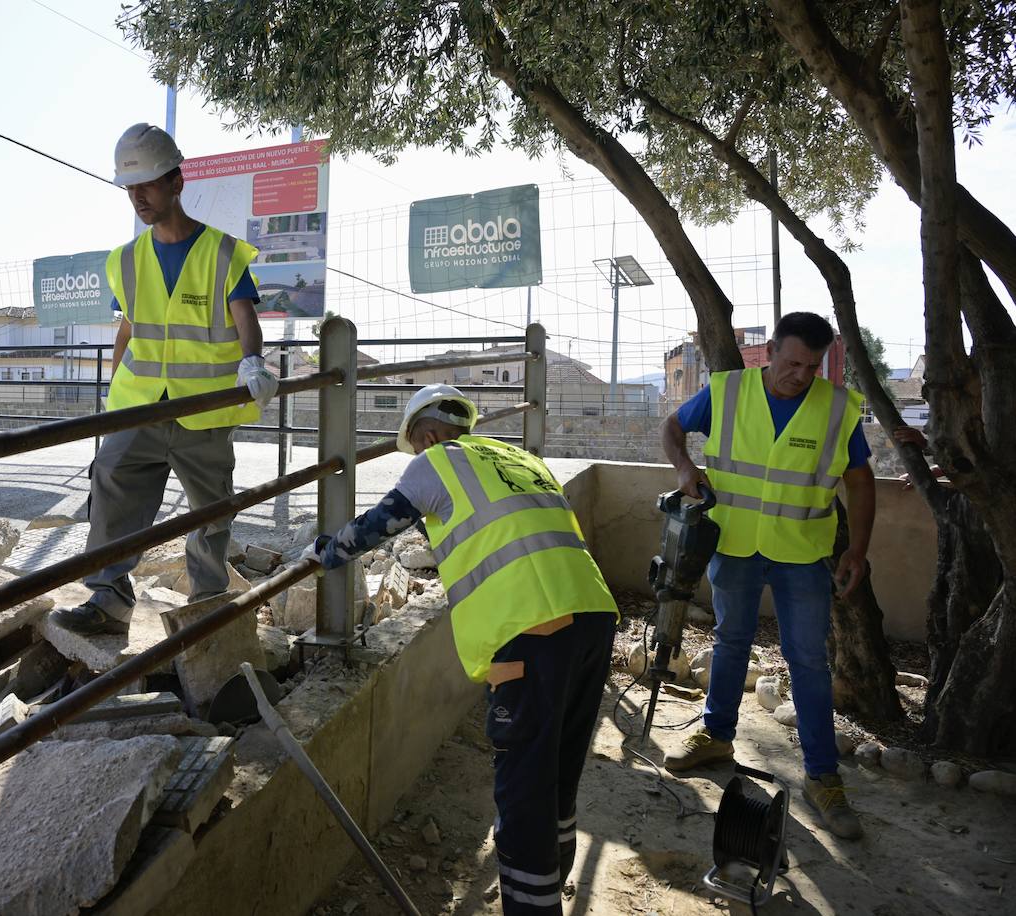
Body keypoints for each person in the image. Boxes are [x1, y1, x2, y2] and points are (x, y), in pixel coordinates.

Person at [305, 385, 618, 914]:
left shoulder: (436, 464)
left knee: (522, 787)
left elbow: (377, 526)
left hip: (533, 632)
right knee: (559, 763)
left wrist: (325, 552)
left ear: (426, 435)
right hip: (593, 614)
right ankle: (552, 875)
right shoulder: (517, 458)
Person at [53, 124, 277, 636]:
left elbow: (245, 318)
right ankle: (108, 601)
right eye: (131, 189)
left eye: (148, 184)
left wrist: (253, 362)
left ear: (177, 182)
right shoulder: (125, 261)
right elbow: (129, 329)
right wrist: (116, 396)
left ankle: (207, 608)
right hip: (143, 408)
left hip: (204, 411)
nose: (139, 197)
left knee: (210, 513)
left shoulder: (223, 253)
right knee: (111, 484)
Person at [659, 311, 875, 840]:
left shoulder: (837, 408)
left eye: (812, 366)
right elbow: (672, 427)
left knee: (807, 661)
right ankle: (716, 735)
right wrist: (685, 468)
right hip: (733, 546)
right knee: (730, 640)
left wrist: (860, 551)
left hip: (802, 554)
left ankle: (823, 777)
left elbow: (861, 481)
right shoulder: (728, 391)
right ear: (771, 352)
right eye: (793, 362)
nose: (800, 375)